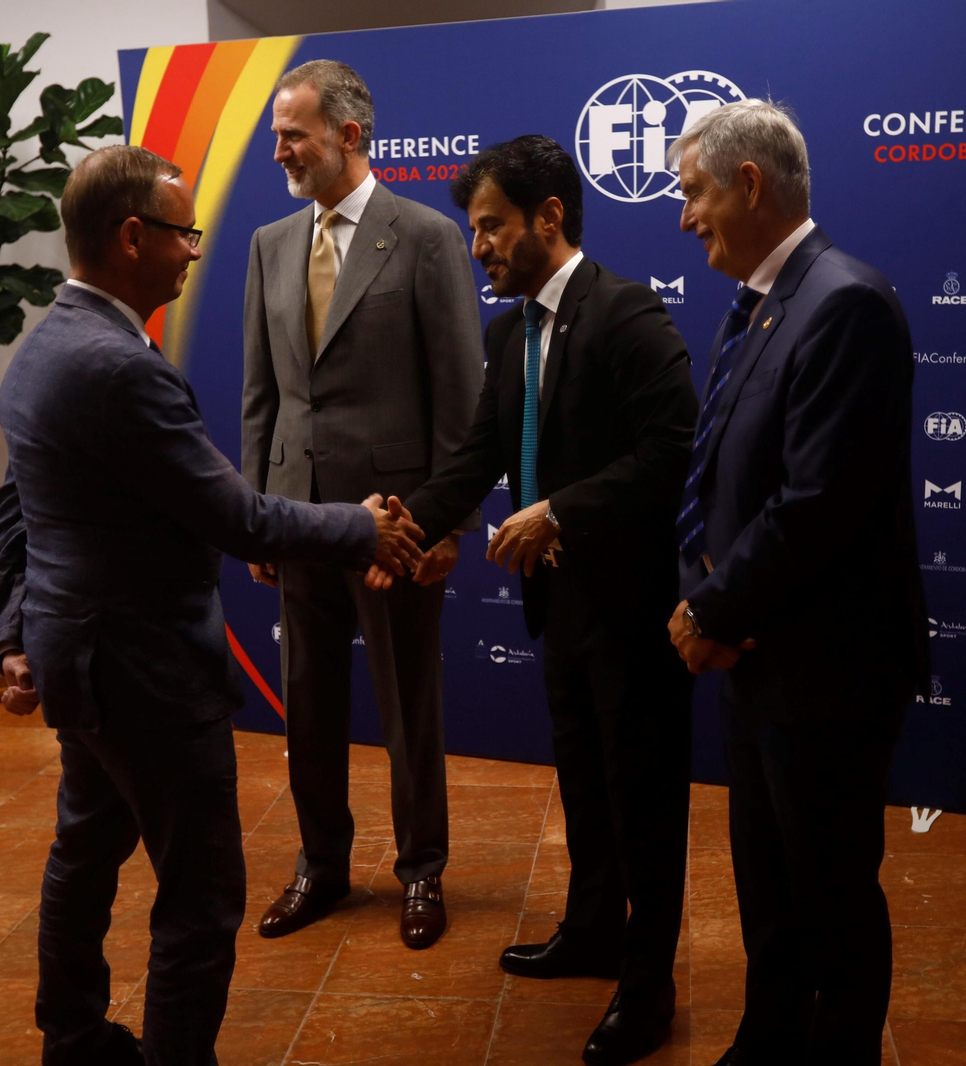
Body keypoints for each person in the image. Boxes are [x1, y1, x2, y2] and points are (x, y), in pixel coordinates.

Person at [0, 145, 425, 1066]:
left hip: (80, 659)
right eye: (183, 233)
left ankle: (69, 1040)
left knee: (83, 852)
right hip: (146, 674)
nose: (193, 252)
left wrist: (11, 630)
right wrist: (361, 528)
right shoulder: (119, 367)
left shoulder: (40, 349)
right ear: (132, 236)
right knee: (201, 897)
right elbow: (235, 515)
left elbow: (17, 511)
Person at [390, 135, 697, 1066]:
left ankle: (648, 988)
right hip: (556, 610)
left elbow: (674, 449)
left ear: (549, 218)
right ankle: (594, 934)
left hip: (631, 608)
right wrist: (406, 526)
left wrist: (559, 510)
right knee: (586, 788)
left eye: (490, 227)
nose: (477, 246)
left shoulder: (628, 313)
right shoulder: (509, 328)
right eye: (474, 228)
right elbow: (480, 451)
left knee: (643, 803)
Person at [664, 101, 928, 1065]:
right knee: (768, 886)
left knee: (830, 894)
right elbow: (724, 477)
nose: (684, 218)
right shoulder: (762, 302)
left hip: (827, 671)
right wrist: (709, 601)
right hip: (758, 662)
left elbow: (816, 503)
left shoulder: (844, 301)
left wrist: (711, 609)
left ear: (747, 185)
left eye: (693, 194)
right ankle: (768, 1036)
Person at [241, 59, 483, 950]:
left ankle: (422, 870)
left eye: (292, 134)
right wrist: (258, 511)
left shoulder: (423, 235)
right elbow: (261, 395)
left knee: (408, 704)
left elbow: (459, 392)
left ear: (348, 134)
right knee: (308, 703)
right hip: (300, 519)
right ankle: (322, 866)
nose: (279, 151)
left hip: (397, 530)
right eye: (274, 135)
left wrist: (445, 523)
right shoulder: (269, 244)